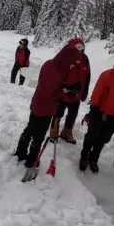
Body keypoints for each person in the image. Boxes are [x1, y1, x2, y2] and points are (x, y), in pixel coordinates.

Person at [14, 39, 85, 181]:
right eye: (72, 63)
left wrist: (66, 88)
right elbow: (50, 93)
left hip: (36, 105)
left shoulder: (50, 64)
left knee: (29, 129)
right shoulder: (57, 72)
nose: (72, 66)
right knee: (38, 136)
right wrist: (65, 92)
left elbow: (51, 87)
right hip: (44, 109)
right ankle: (31, 161)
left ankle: (20, 152)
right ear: (67, 59)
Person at [79, 54, 114, 173]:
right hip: (99, 112)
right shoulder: (107, 75)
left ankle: (94, 158)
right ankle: (84, 156)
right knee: (91, 136)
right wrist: (93, 108)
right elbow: (97, 92)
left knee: (103, 138)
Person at [51, 37, 91, 143]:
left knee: (72, 115)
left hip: (77, 95)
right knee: (58, 114)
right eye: (77, 49)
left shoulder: (85, 59)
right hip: (63, 94)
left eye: (82, 48)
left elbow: (87, 76)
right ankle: (53, 133)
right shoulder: (65, 59)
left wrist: (85, 91)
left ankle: (67, 133)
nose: (80, 51)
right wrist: (63, 89)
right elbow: (57, 76)